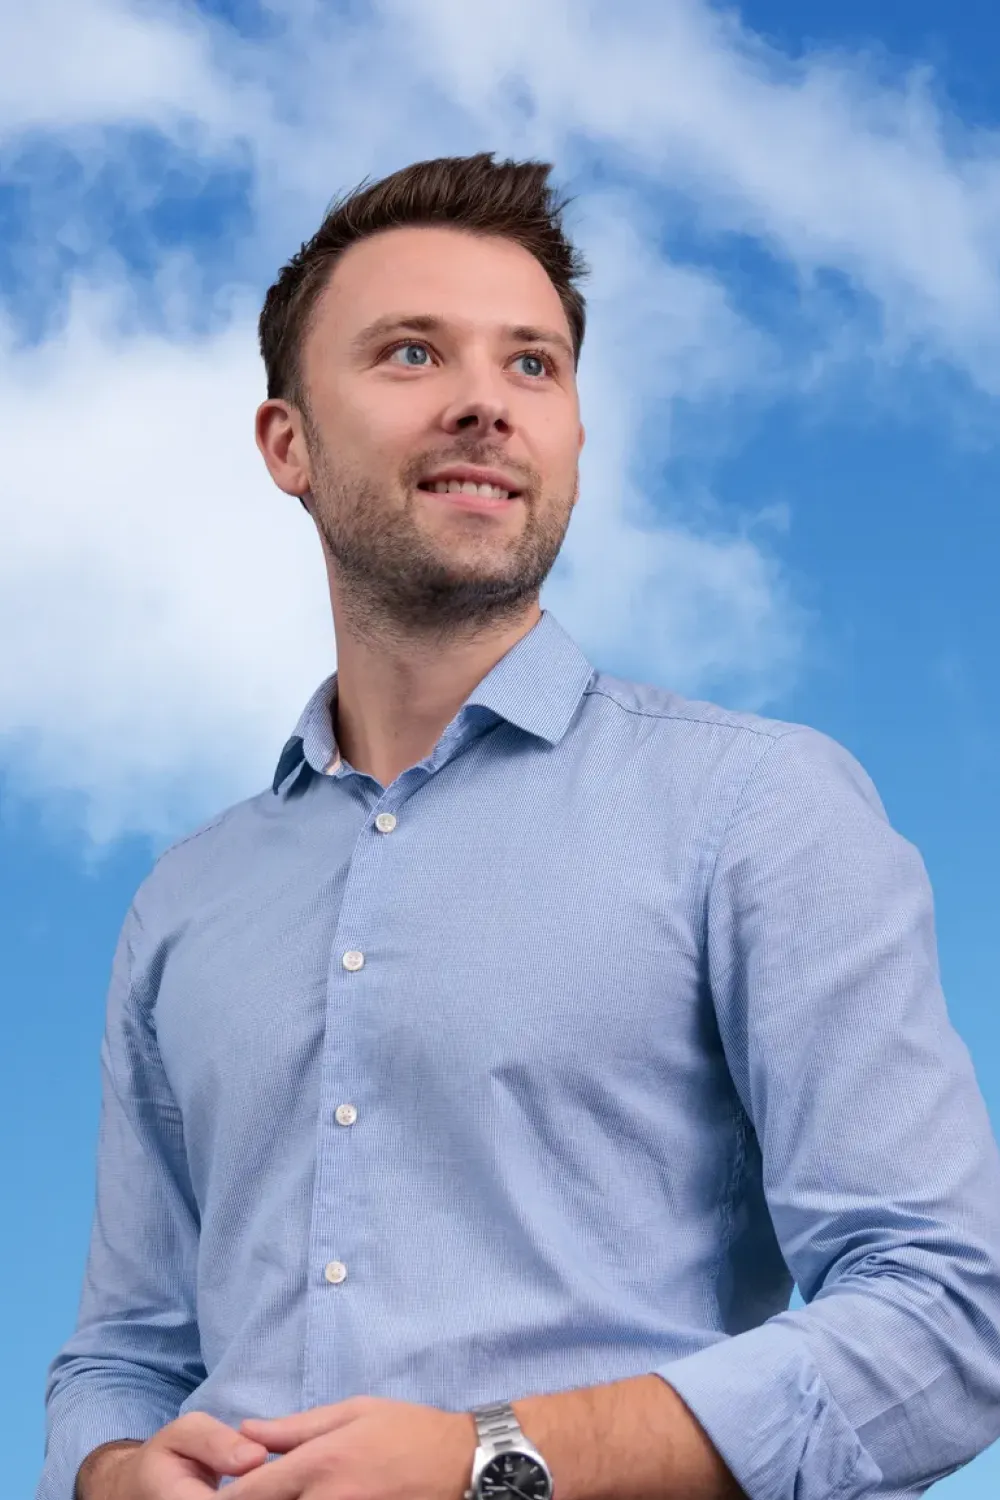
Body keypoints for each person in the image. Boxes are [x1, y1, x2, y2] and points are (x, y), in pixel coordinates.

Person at [38, 152, 1000, 1500]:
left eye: (534, 366)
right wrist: (115, 1474)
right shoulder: (184, 903)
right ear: (287, 445)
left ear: (576, 441)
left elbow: (949, 1316)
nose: (486, 403)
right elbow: (123, 1352)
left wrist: (493, 1457)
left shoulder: (757, 813)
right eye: (412, 353)